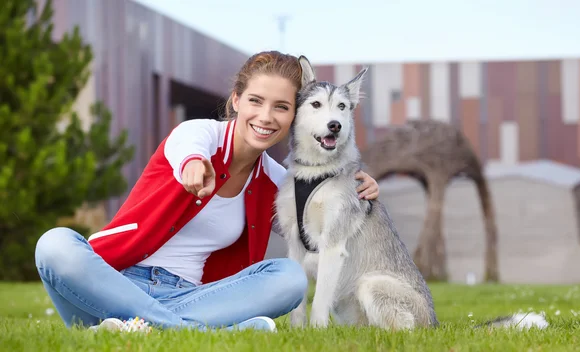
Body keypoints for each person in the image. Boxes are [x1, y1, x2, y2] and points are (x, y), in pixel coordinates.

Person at [34, 50, 381, 333]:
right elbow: (189, 145)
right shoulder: (199, 134)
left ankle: (134, 327)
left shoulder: (277, 180)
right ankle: (187, 329)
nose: (266, 116)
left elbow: (319, 217)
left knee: (288, 277)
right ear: (236, 100)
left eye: (281, 107)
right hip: (112, 284)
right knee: (54, 244)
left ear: (295, 116)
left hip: (195, 297)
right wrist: (193, 163)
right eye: (256, 101)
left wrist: (358, 186)